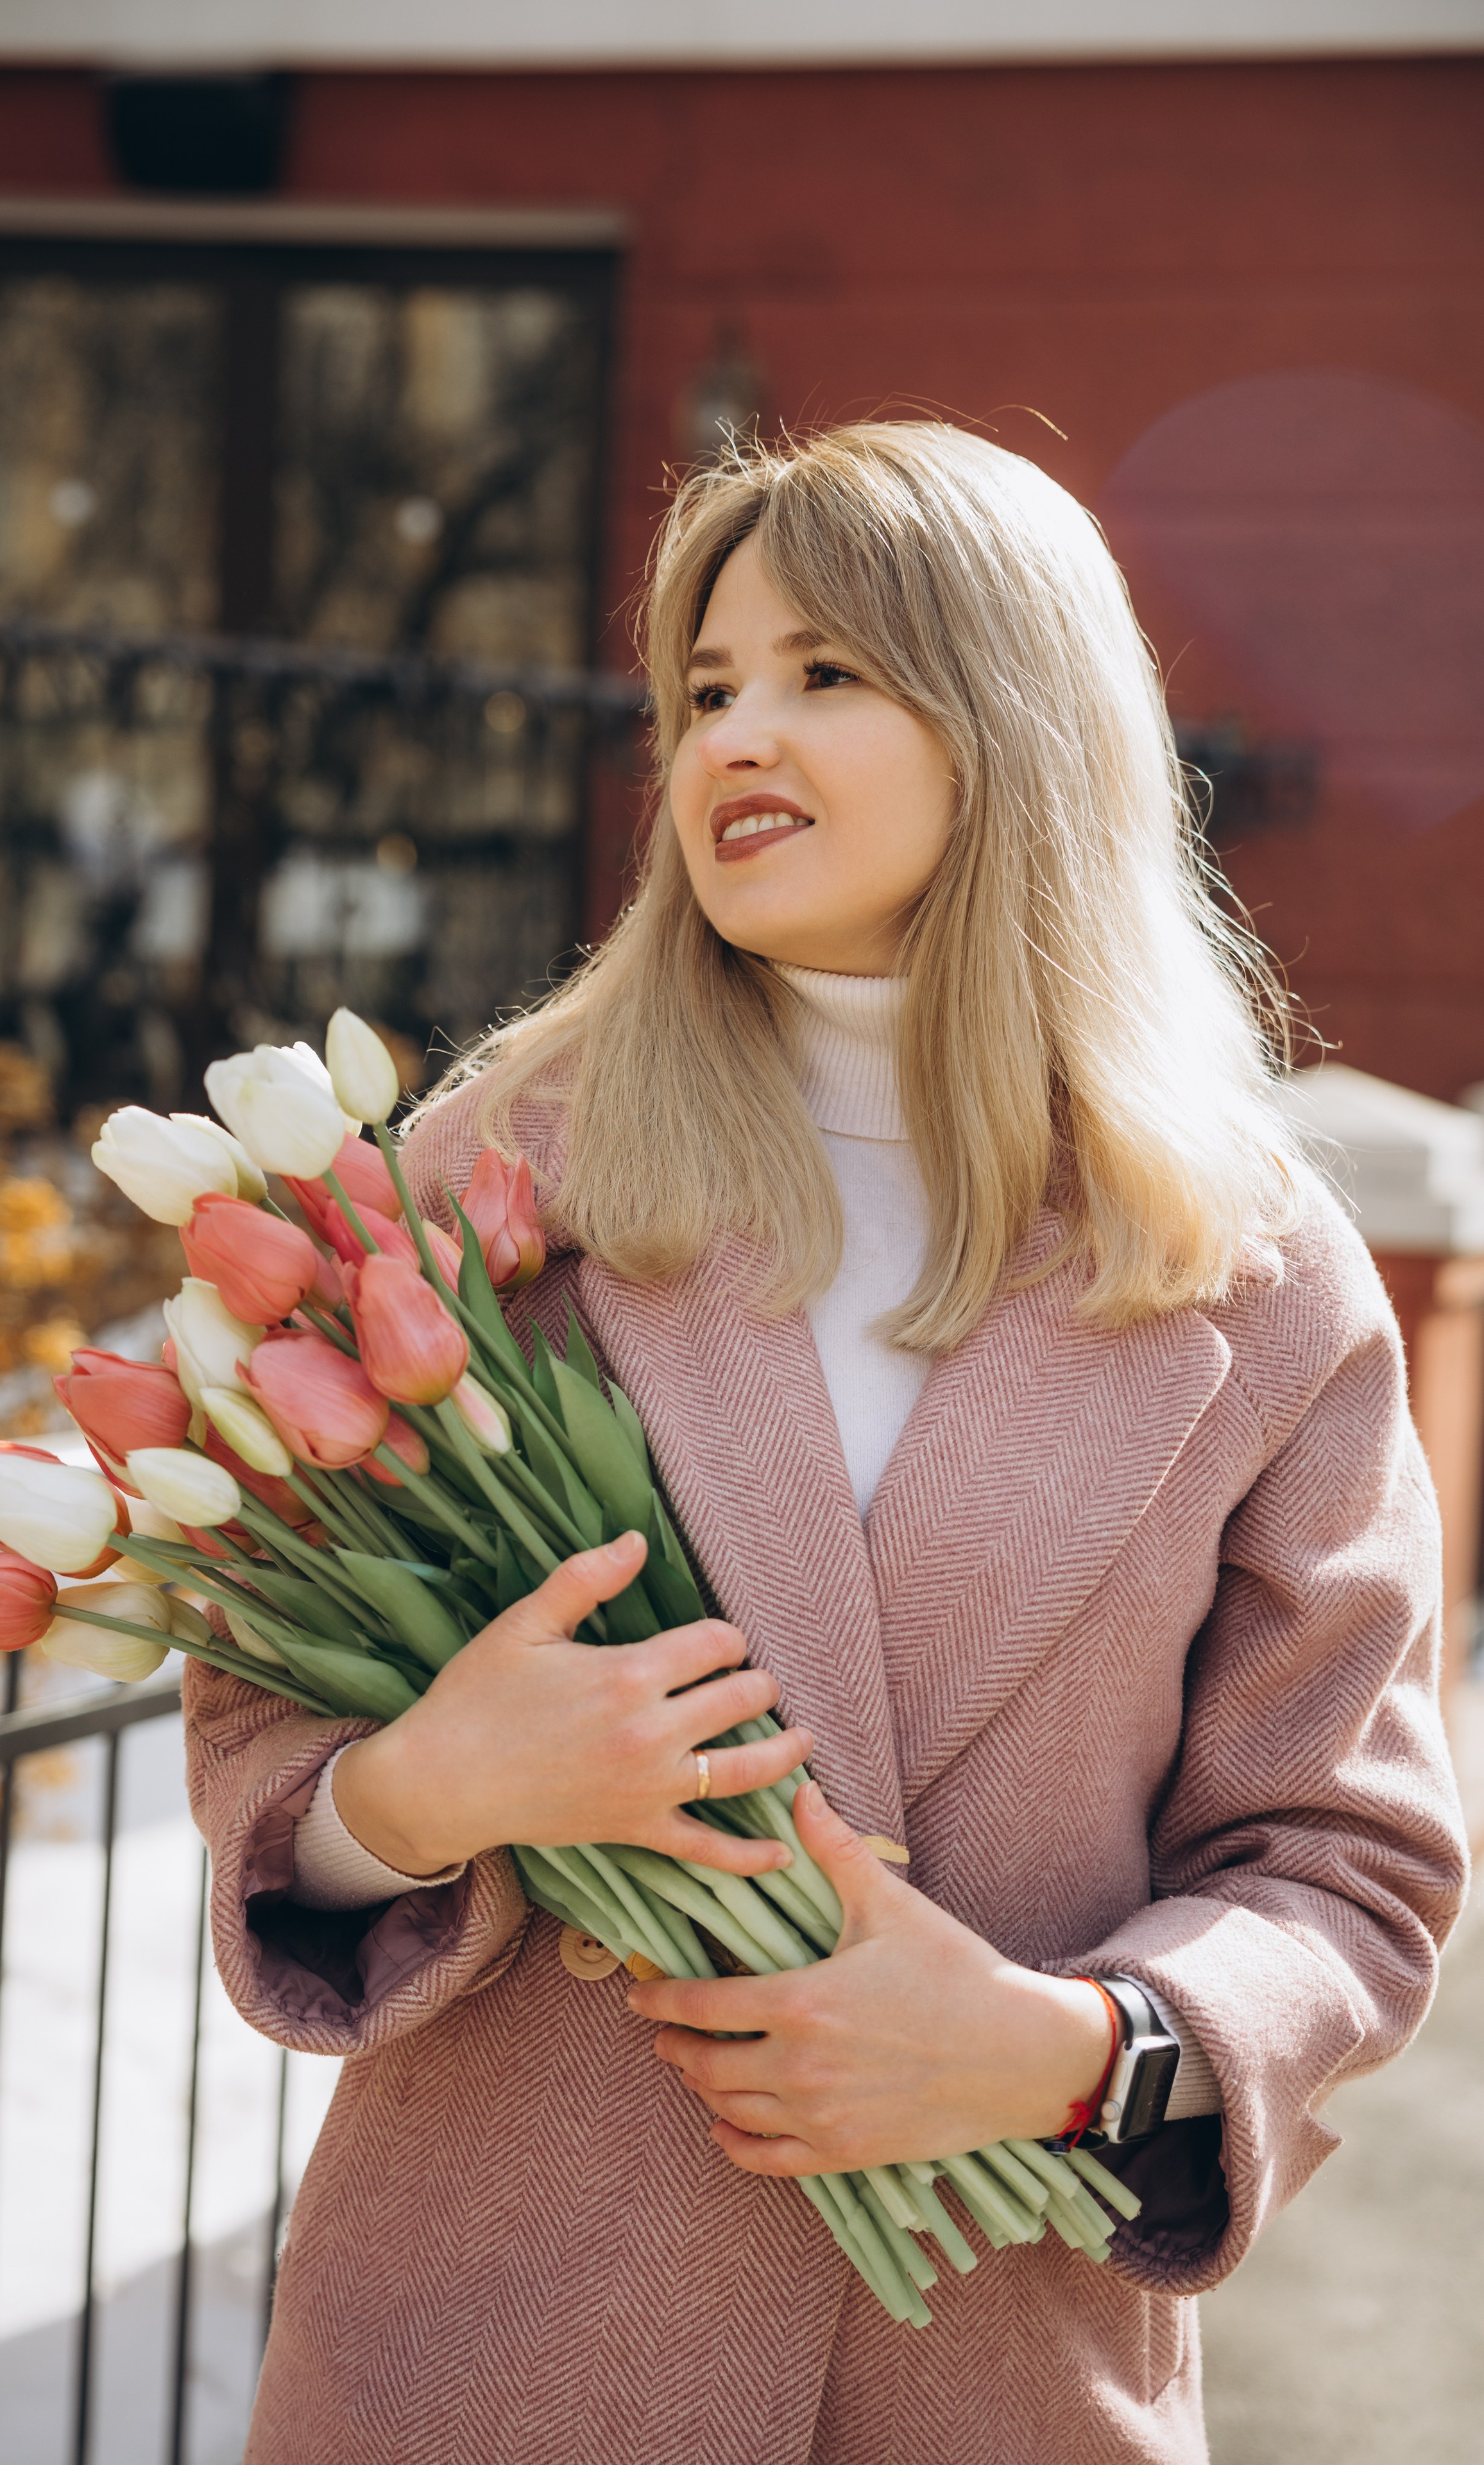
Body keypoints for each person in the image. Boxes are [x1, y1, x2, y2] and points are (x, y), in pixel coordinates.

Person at [185, 422, 1466, 2464]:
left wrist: (1061, 2050)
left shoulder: (1252, 1265)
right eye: (705, 689)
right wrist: (433, 1785)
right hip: (492, 2363)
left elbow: (1348, 1858)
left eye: (823, 673)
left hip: (995, 2378)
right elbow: (259, 1718)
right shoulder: (506, 1167)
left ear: (1018, 719)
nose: (729, 739)